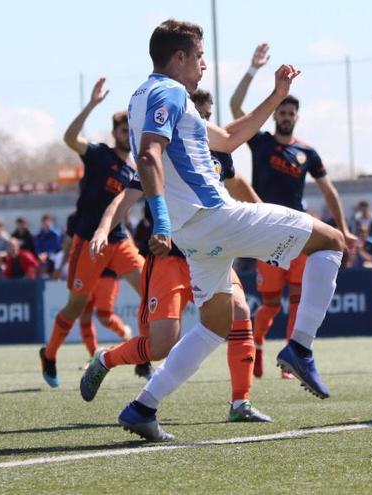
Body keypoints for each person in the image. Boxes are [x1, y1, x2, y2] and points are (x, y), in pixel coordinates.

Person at [108, 20, 344, 442]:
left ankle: (142, 407)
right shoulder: (169, 91)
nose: (203, 64)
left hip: (195, 234)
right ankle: (301, 347)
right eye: (199, 56)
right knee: (332, 240)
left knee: (217, 323)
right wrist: (160, 220)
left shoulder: (149, 96)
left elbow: (231, 138)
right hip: (214, 216)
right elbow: (147, 156)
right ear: (178, 58)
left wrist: (276, 94)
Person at [80, 87, 274, 423]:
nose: (206, 125)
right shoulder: (162, 159)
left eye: (209, 118)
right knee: (161, 346)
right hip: (170, 258)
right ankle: (107, 360)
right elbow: (122, 201)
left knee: (240, 310)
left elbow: (242, 187)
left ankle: (240, 402)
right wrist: (102, 229)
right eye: (201, 118)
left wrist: (268, 227)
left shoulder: (219, 159)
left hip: (212, 252)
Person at [230, 43, 355, 379]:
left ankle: (292, 359)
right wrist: (254, 70)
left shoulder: (307, 152)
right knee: (270, 303)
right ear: (275, 116)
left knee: (298, 297)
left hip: (299, 230)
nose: (286, 117)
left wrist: (342, 227)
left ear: (296, 117)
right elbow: (235, 105)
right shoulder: (261, 142)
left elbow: (329, 189)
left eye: (290, 113)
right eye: (281, 112)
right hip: (265, 228)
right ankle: (256, 347)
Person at [39, 77, 146, 388]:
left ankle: (143, 358)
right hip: (88, 241)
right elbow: (70, 137)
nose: (128, 134)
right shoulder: (99, 154)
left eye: (131, 130)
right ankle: (49, 353)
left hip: (119, 241)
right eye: (123, 130)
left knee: (150, 292)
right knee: (75, 306)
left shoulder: (136, 169)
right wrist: (92, 105)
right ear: (114, 134)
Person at [34, 214, 62, 278]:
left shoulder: (56, 234)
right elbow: (37, 247)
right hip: (42, 257)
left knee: (53, 261)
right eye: (44, 222)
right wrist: (40, 255)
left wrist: (47, 254)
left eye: (48, 222)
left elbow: (56, 248)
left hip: (54, 256)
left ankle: (54, 277)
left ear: (51, 222)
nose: (46, 224)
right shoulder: (38, 236)